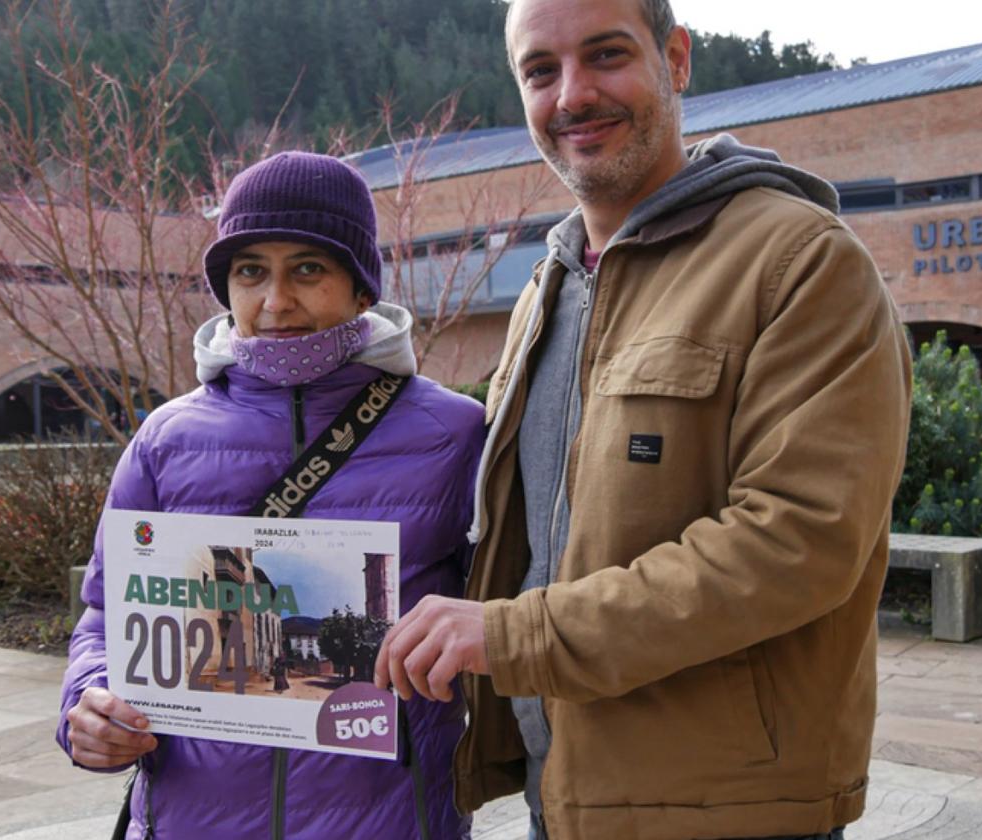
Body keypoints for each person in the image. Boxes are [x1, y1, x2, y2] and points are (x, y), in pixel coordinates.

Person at [374, 0, 913, 838]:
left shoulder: (801, 263)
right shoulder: (544, 294)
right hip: (562, 795)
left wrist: (512, 636)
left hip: (730, 811)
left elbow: (797, 545)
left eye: (606, 54)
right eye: (540, 71)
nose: (573, 95)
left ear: (678, 59)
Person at [58, 152, 483, 839]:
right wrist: (89, 702)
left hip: (387, 819)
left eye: (308, 269)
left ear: (362, 286)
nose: (276, 302)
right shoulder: (167, 439)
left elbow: (505, 612)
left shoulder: (454, 433)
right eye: (250, 271)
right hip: (192, 818)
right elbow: (105, 616)